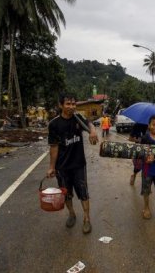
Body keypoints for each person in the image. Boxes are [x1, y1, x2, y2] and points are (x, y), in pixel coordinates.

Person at [46, 93, 98, 233]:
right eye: (68, 104)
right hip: (62, 167)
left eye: (73, 104)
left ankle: (87, 219)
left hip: (79, 164)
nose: (71, 106)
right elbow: (54, 147)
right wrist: (52, 167)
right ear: (61, 105)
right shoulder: (54, 124)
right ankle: (71, 214)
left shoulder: (78, 117)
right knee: (66, 194)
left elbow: (90, 123)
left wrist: (93, 132)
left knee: (83, 192)